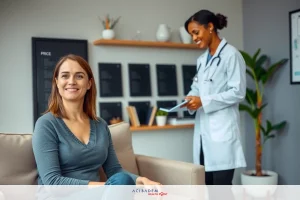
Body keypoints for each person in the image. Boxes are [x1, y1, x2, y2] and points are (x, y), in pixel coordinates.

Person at [32, 54, 161, 188]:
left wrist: (141, 180)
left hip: (99, 195)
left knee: (122, 179)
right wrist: (104, 187)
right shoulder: (46, 124)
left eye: (79, 76)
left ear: (89, 83)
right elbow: (52, 182)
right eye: (65, 76)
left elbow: (114, 170)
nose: (71, 81)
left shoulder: (100, 125)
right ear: (57, 82)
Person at [182, 9, 247, 185]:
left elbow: (238, 91)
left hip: (222, 136)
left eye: (196, 32)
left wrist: (204, 101)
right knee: (208, 189)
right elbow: (197, 86)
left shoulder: (231, 55)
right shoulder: (202, 60)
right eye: (191, 35)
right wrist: (189, 99)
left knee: (222, 191)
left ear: (210, 27)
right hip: (204, 137)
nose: (194, 38)